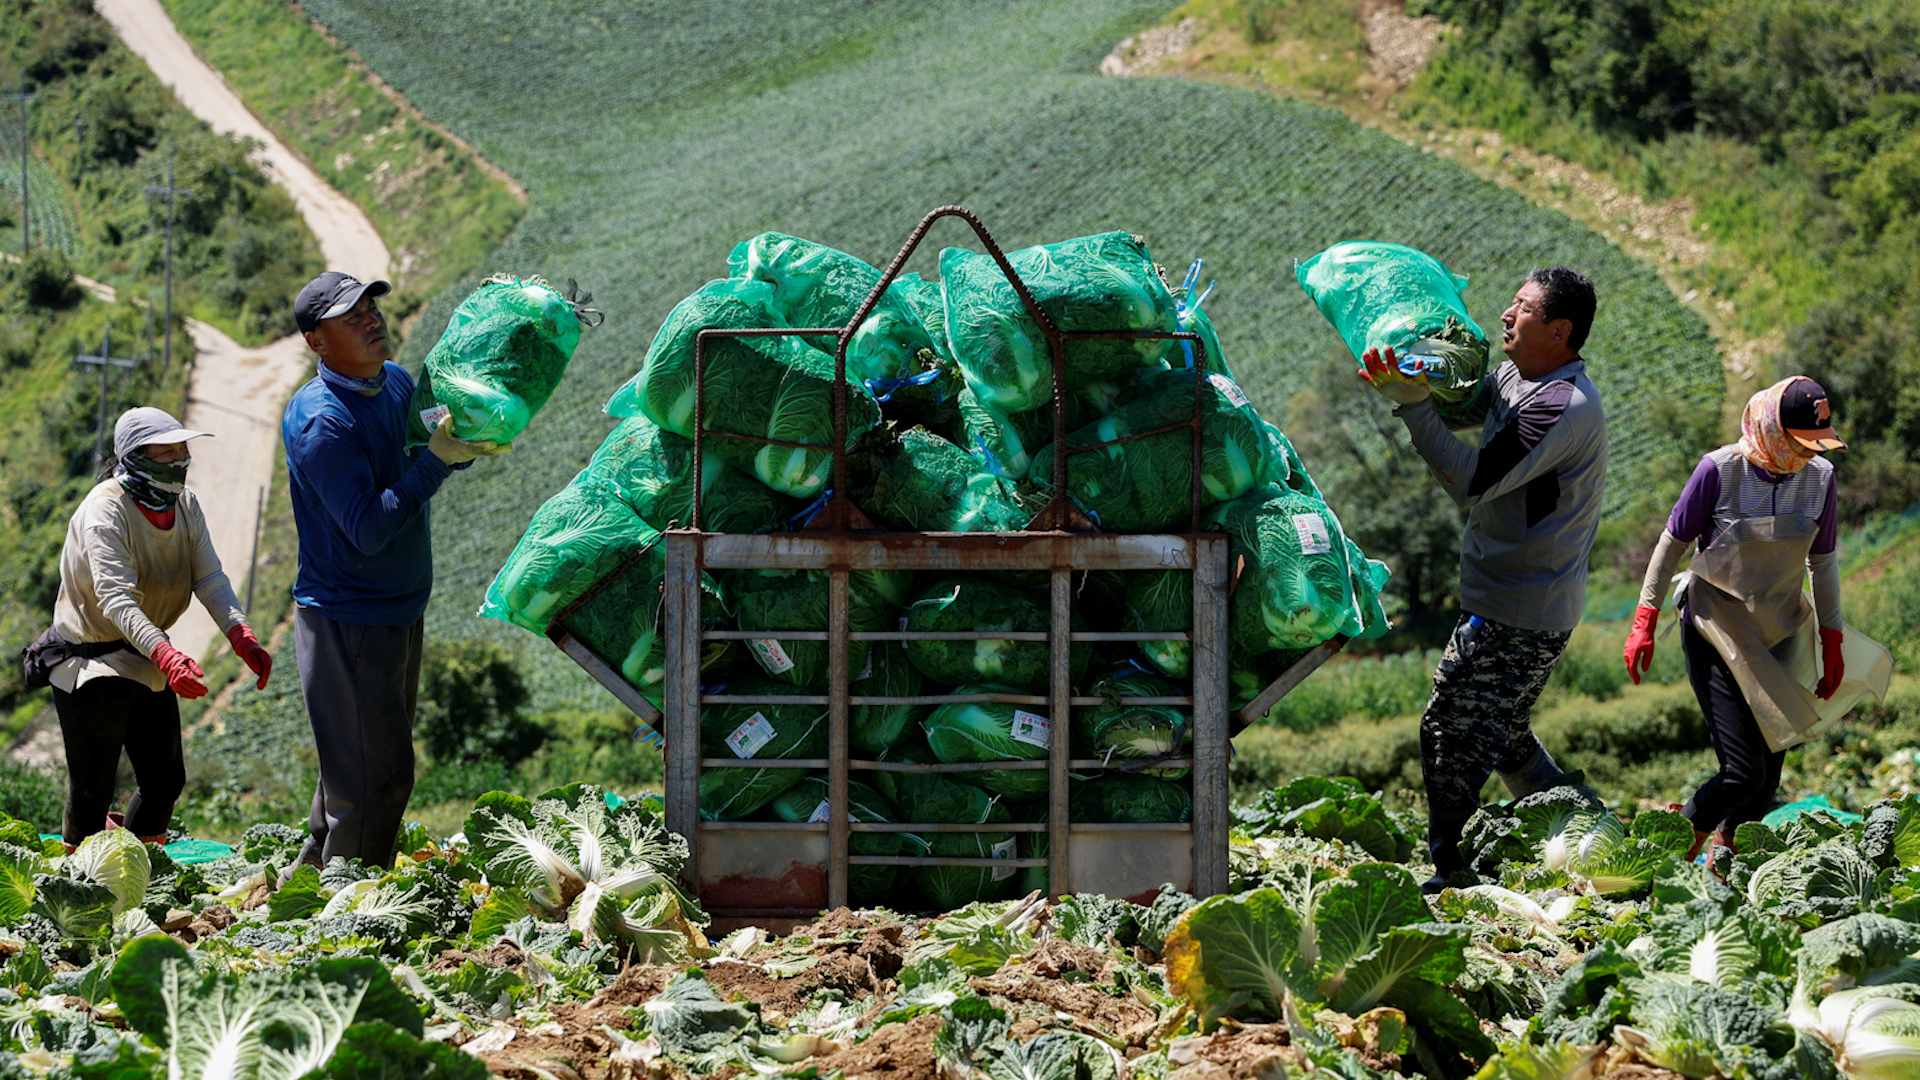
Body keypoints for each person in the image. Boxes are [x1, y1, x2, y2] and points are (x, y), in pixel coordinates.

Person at [1359, 266, 1608, 891]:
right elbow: (1472, 405)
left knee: (1450, 729)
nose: (1505, 314)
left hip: (1522, 608)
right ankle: (1588, 835)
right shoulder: (1517, 375)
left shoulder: (1560, 406)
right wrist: (1423, 369)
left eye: (1521, 309)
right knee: (1502, 733)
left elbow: (1473, 482)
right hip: (1512, 598)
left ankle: (1450, 871)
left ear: (1559, 330)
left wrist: (1414, 410)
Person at [282, 271, 506, 869]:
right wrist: (435, 463)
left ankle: (308, 889)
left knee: (355, 766)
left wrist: (461, 446)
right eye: (349, 315)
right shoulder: (322, 421)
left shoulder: (396, 384)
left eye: (370, 307)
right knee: (377, 780)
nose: (371, 319)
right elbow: (370, 528)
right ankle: (349, 921)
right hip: (349, 617)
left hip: (397, 609)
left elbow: (423, 458)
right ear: (317, 341)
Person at [1624, 377, 1867, 859]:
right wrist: (1644, 620)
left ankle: (1725, 866)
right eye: (1799, 443)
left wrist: (1831, 638)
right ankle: (1670, 847)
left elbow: (1823, 562)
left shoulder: (1821, 478)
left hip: (1776, 628)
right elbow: (1670, 545)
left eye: (1815, 443)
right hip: (1715, 628)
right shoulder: (1719, 470)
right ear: (1772, 429)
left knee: (1768, 775)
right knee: (1742, 771)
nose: (1807, 455)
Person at [37, 407, 273, 852]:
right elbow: (116, 598)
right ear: (137, 458)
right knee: (92, 790)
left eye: (183, 451)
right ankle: (82, 882)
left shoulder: (184, 505)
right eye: (168, 454)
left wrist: (240, 634)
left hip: (143, 650)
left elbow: (209, 578)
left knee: (164, 780)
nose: (180, 461)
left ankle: (142, 868)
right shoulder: (105, 511)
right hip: (90, 659)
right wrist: (166, 654)